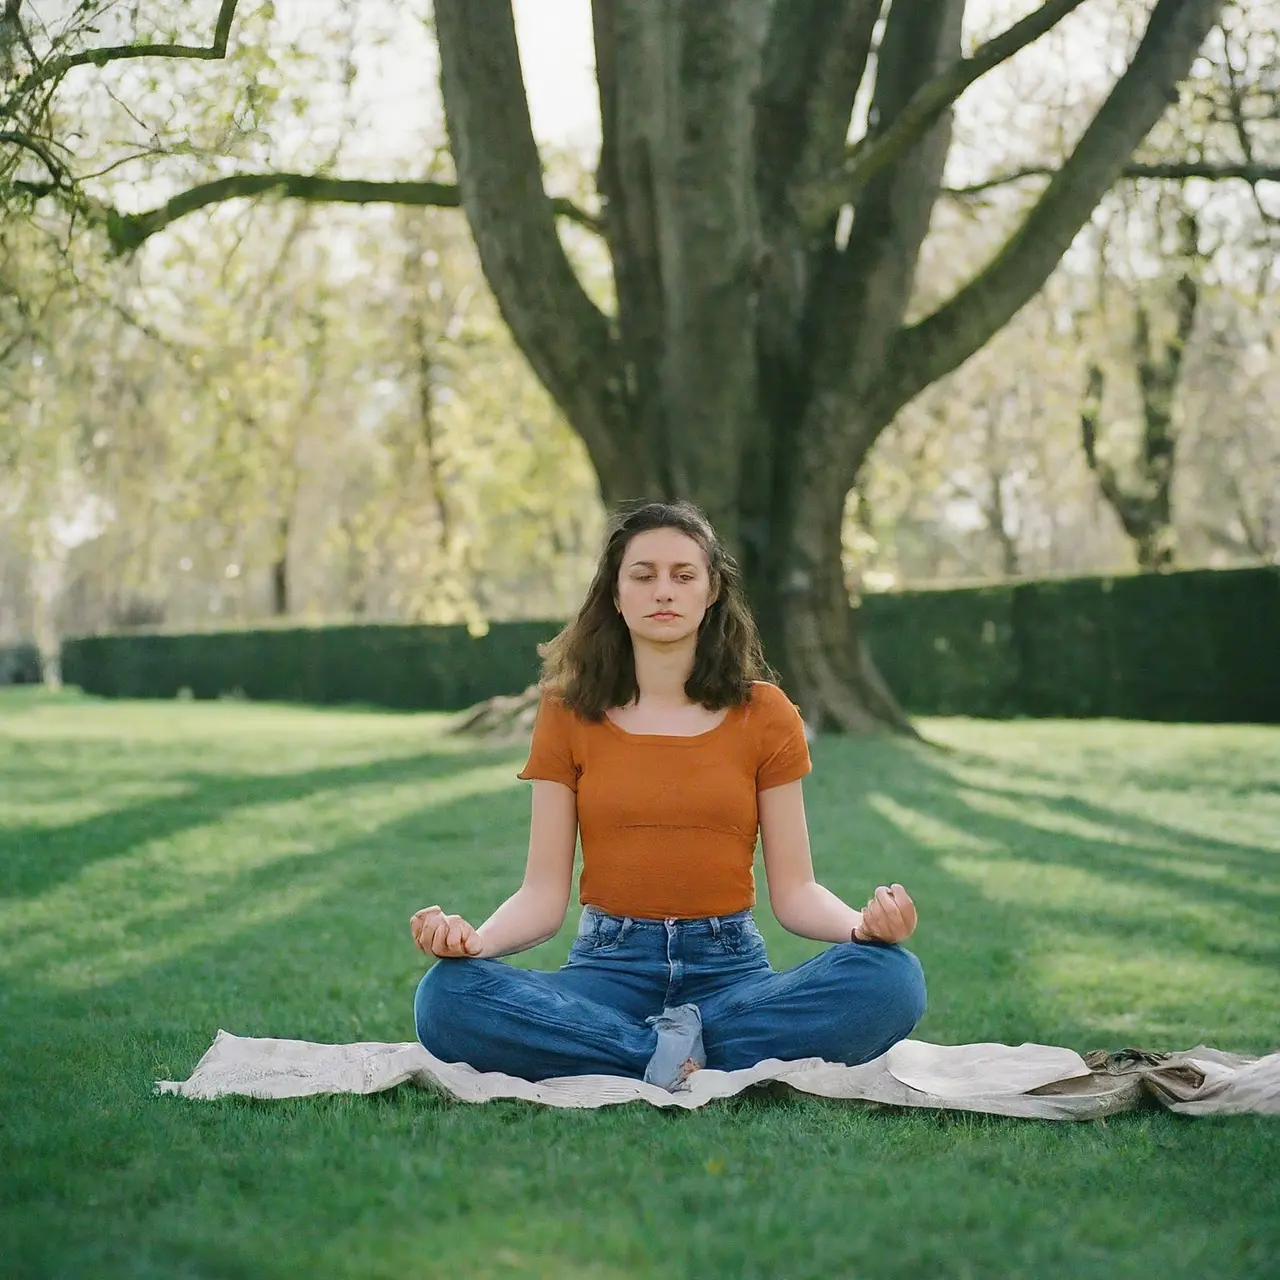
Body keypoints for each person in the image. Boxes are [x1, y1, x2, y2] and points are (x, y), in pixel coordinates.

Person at [410, 500, 925, 1091]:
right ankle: (664, 1051)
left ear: (710, 593)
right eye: (643, 574)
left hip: (729, 972)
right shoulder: (567, 712)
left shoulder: (766, 715)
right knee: (447, 995)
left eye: (684, 576)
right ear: (615, 592)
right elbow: (542, 896)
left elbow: (797, 893)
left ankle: (646, 1049)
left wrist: (864, 929)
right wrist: (474, 942)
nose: (664, 591)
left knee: (893, 980)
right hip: (607, 970)